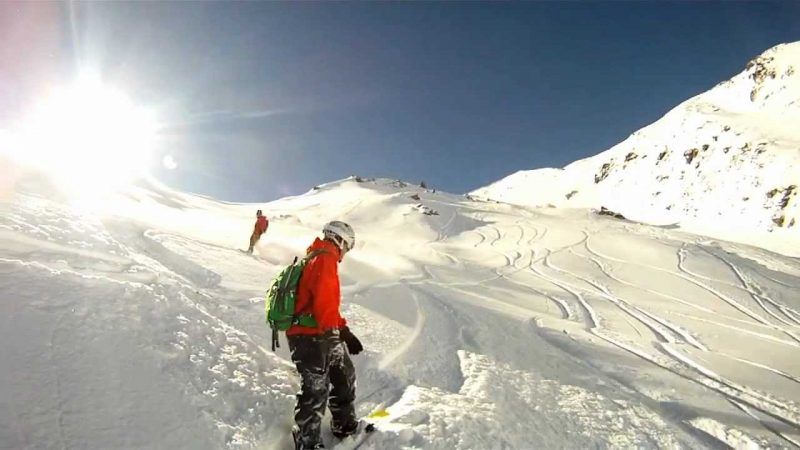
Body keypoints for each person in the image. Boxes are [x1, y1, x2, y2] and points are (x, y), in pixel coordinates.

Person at [288, 221, 363, 450]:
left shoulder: (320, 256)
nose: (345, 253)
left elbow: (327, 303)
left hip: (321, 332)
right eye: (346, 247)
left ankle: (344, 424)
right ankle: (307, 442)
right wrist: (333, 333)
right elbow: (324, 304)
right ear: (340, 240)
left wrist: (344, 331)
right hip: (308, 336)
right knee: (315, 388)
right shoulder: (324, 258)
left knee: (343, 374)